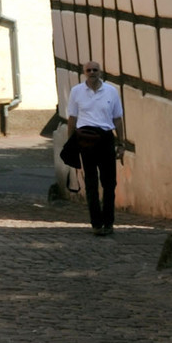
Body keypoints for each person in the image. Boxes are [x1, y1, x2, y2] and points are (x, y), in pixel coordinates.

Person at [65, 60, 126, 235]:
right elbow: (72, 119)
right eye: (89, 70)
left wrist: (121, 143)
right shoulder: (76, 91)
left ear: (100, 72)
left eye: (95, 70)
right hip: (86, 139)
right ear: (84, 72)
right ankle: (96, 224)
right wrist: (71, 144)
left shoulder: (111, 91)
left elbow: (117, 119)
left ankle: (109, 222)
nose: (92, 73)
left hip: (106, 137)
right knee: (91, 183)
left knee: (109, 183)